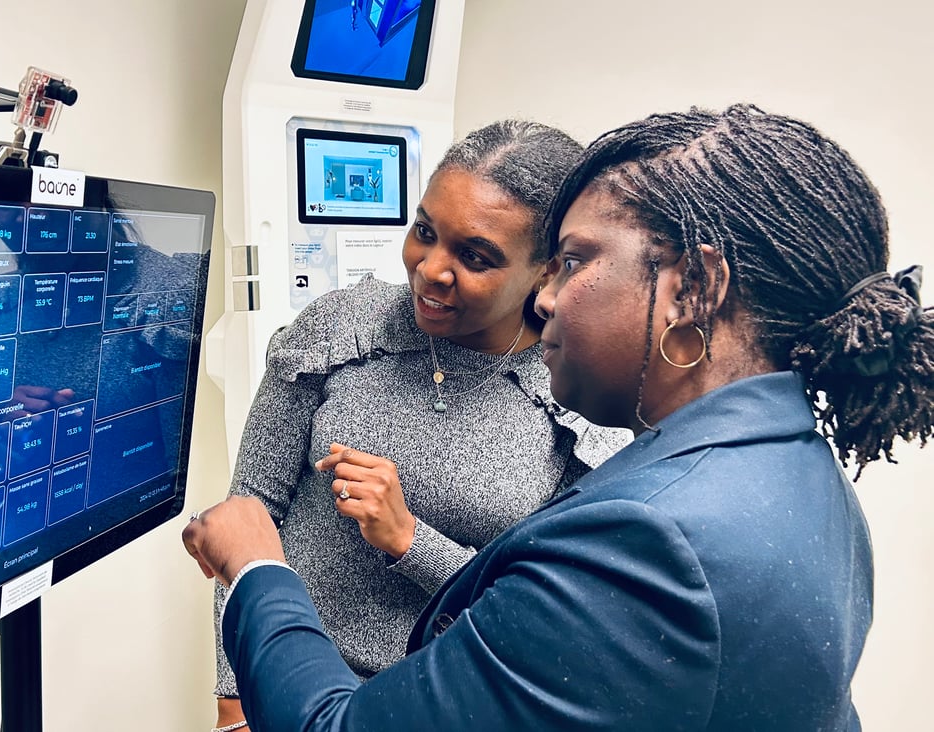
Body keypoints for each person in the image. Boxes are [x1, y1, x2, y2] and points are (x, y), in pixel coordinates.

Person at [184, 104, 933, 730]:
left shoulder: (643, 542)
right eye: (425, 230)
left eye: (572, 263)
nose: (549, 301)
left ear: (695, 288)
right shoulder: (794, 463)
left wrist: (258, 569)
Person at [208, 121, 631, 731]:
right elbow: (248, 518)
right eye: (425, 232)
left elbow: (540, 616)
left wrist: (410, 541)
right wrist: (233, 698)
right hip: (283, 686)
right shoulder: (339, 330)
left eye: (475, 256)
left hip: (440, 709)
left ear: (545, 270)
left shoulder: (572, 399)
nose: (431, 269)